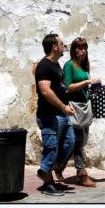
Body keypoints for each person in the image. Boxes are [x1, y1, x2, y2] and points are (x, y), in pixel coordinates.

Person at [34, 33, 75, 197]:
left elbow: (61, 88)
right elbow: (45, 90)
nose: (65, 46)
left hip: (62, 114)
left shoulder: (56, 65)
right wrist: (63, 107)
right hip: (49, 115)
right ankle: (47, 180)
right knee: (51, 148)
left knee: (69, 142)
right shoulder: (44, 66)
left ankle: (47, 170)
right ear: (54, 47)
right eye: (62, 44)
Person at [62, 37, 100, 187]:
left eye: (85, 47)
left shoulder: (84, 66)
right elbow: (68, 87)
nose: (82, 50)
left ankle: (59, 165)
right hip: (74, 107)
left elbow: (85, 86)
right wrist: (86, 82)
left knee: (81, 142)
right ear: (73, 50)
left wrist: (94, 86)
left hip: (85, 106)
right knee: (78, 142)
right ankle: (81, 174)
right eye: (79, 47)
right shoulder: (69, 65)